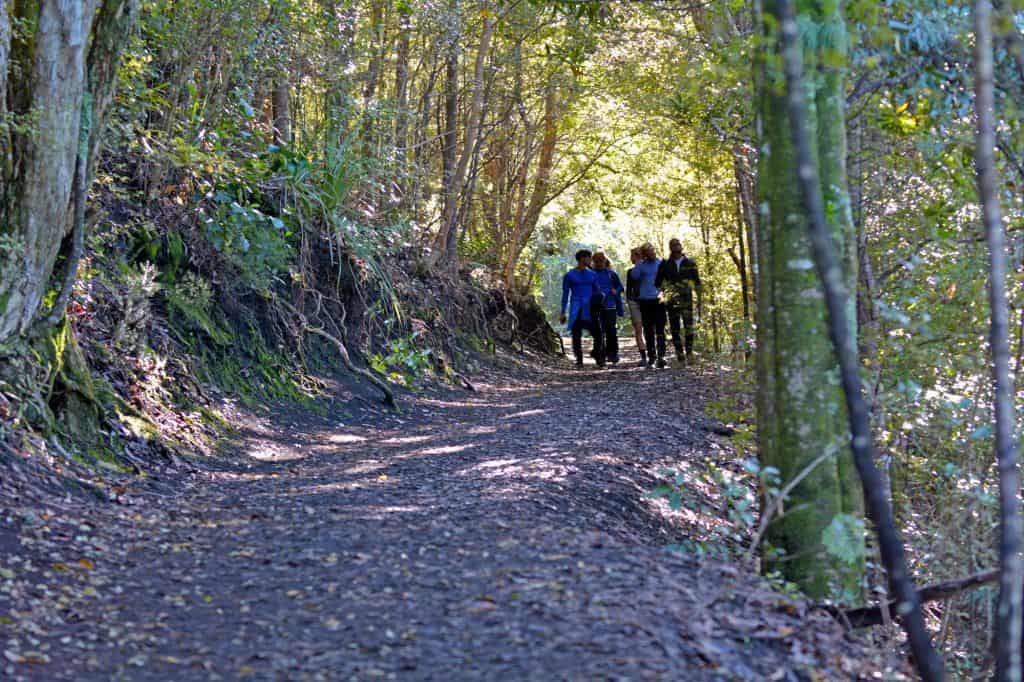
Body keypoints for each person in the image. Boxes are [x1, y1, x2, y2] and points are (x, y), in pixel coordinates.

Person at [656, 237, 702, 365]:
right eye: (673, 245)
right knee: (675, 328)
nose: (676, 247)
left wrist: (699, 300)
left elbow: (697, 282)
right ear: (670, 248)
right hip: (672, 301)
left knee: (689, 327)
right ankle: (680, 354)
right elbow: (658, 283)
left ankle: (689, 353)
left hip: (687, 299)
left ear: (681, 246)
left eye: (678, 244)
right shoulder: (665, 264)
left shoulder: (690, 263)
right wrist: (666, 293)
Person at [560, 249, 606, 369]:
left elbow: (598, 291)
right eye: (589, 257)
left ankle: (597, 355)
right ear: (581, 259)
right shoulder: (569, 275)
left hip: (590, 308)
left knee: (598, 333)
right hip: (577, 308)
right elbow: (565, 294)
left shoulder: (592, 274)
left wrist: (600, 302)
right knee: (576, 334)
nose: (591, 260)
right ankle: (579, 360)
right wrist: (563, 312)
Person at [628, 242, 666, 368]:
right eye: (647, 252)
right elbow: (634, 276)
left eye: (652, 251)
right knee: (648, 330)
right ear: (644, 254)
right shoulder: (641, 266)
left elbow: (667, 280)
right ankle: (651, 357)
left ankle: (661, 356)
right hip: (645, 301)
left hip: (658, 300)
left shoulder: (661, 263)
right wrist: (639, 261)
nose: (651, 254)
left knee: (660, 328)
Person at [591, 252, 624, 365]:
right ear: (593, 262)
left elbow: (620, 287)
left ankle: (613, 354)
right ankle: (600, 356)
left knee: (611, 331)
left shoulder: (611, 274)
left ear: (605, 261)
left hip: (610, 306)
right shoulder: (591, 274)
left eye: (601, 260)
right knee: (599, 332)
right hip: (596, 307)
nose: (599, 263)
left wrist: (616, 290)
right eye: (597, 261)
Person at [625, 247, 648, 367]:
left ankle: (653, 355)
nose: (631, 258)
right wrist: (629, 300)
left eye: (632, 255)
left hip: (647, 301)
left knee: (649, 329)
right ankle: (643, 357)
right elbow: (628, 288)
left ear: (637, 256)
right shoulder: (630, 272)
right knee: (639, 330)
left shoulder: (648, 269)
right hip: (634, 302)